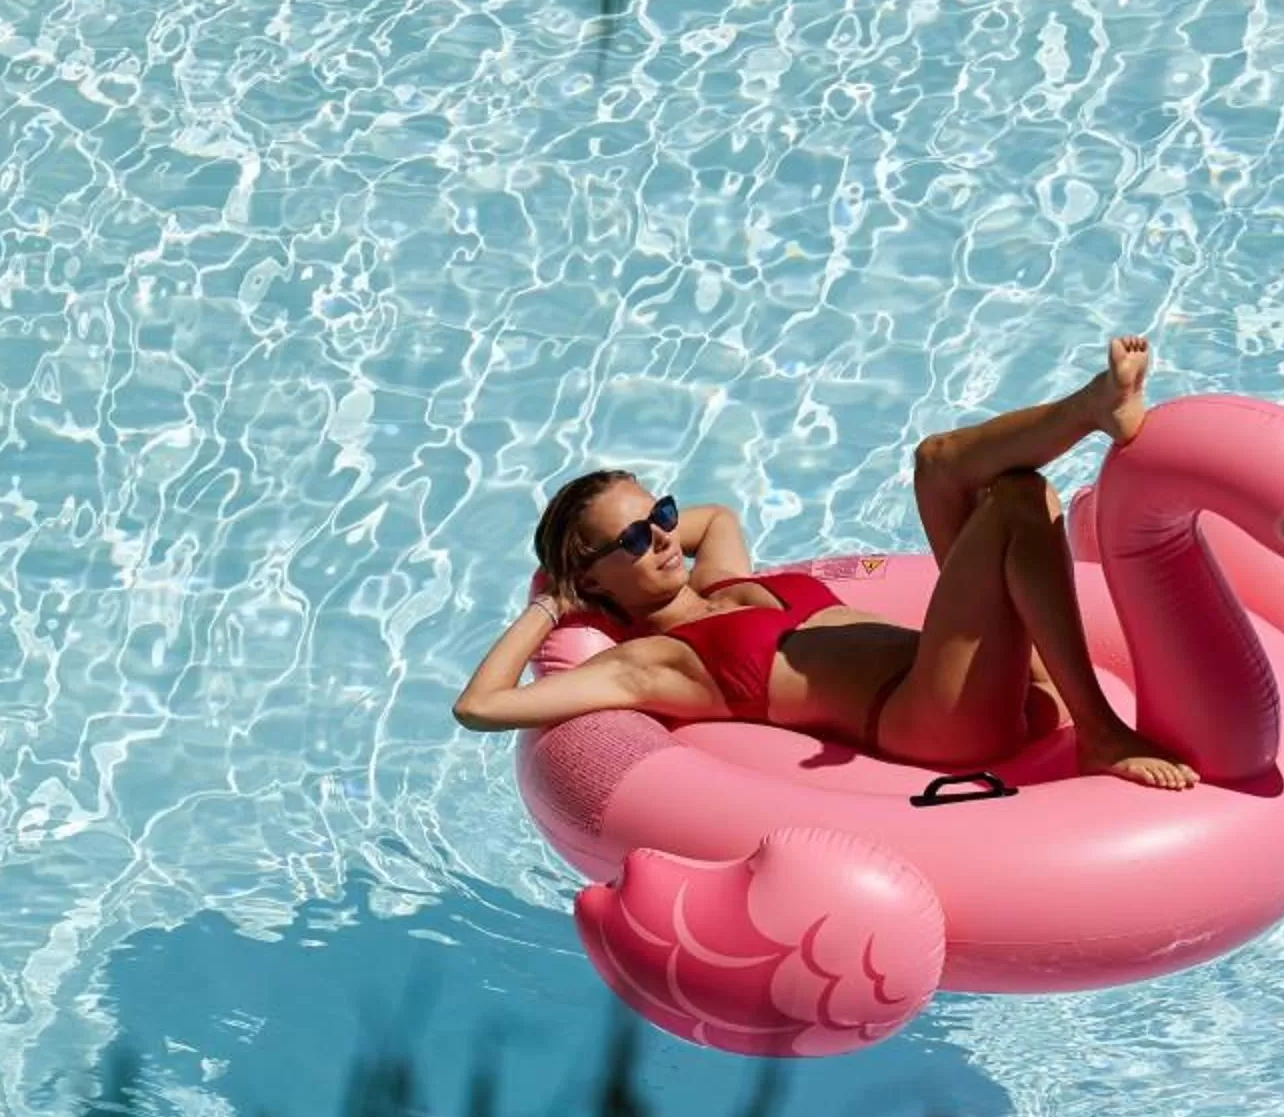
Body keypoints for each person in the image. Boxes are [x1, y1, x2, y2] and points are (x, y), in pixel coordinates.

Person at [453, 336, 1196, 788]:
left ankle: (1091, 408)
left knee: (935, 463)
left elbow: (719, 519)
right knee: (1017, 498)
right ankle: (1100, 732)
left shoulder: (721, 579)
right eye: (638, 540)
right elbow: (480, 707)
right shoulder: (648, 664)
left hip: (971, 675)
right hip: (933, 721)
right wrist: (553, 604)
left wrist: (645, 536)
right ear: (592, 581)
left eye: (663, 515)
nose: (666, 538)